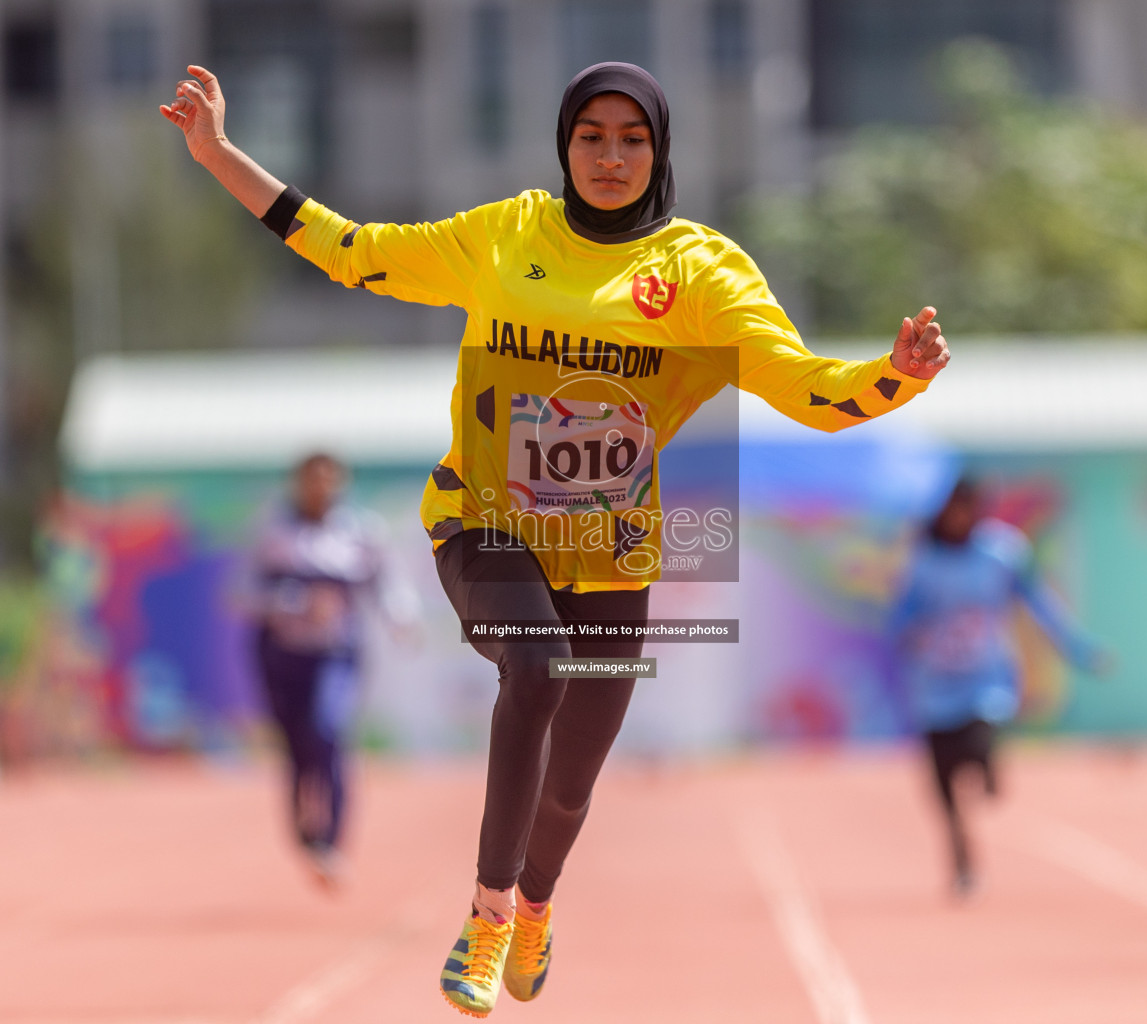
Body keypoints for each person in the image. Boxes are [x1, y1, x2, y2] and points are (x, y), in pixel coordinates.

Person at [162, 61, 950, 1017]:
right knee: (534, 666)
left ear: (658, 151)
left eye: (632, 139)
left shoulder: (700, 274)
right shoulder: (506, 235)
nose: (610, 157)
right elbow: (353, 250)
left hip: (612, 553)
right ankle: (490, 912)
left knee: (572, 785)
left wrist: (894, 375)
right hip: (483, 521)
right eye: (591, 136)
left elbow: (806, 389)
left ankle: (535, 903)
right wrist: (219, 156)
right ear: (564, 144)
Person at [890, 476, 1111, 897]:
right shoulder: (922, 563)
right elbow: (901, 618)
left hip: (984, 680)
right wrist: (907, 636)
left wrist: (1078, 650)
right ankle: (963, 865)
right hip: (935, 688)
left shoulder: (1001, 554)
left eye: (967, 510)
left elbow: (1041, 605)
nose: (959, 519)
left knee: (981, 737)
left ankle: (989, 767)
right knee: (944, 789)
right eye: (952, 510)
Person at [247, 452, 419, 889]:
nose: (321, 489)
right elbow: (241, 593)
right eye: (312, 480)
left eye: (329, 480)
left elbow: (389, 583)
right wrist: (294, 602)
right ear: (298, 482)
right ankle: (304, 833)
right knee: (297, 747)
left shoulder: (362, 532)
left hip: (336, 652)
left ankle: (331, 840)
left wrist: (401, 618)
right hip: (281, 653)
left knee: (327, 730)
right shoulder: (273, 532)